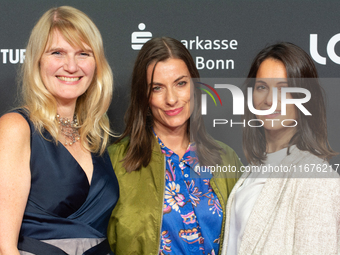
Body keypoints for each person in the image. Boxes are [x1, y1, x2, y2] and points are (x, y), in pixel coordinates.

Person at [0, 6, 118, 255]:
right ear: (37, 60)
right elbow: (3, 246)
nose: (72, 66)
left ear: (96, 63)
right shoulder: (16, 128)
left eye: (83, 54)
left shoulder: (94, 136)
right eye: (58, 52)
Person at [107, 37, 242, 255]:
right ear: (145, 96)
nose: (171, 99)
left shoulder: (226, 158)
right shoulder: (116, 162)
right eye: (157, 88)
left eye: (180, 84)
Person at [221, 42, 340, 255]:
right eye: (262, 87)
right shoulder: (252, 171)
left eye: (283, 89)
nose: (269, 100)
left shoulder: (316, 177)